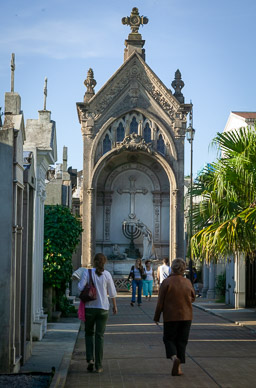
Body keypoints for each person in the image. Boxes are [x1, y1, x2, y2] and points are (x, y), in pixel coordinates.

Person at [154, 258, 195, 376]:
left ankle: (173, 358)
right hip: (186, 316)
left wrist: (157, 317)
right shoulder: (187, 282)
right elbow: (193, 297)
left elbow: (160, 302)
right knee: (182, 341)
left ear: (172, 268)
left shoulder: (166, 282)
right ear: (183, 269)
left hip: (171, 316)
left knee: (169, 339)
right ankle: (179, 368)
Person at [78, 253, 117, 373]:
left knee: (89, 333)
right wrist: (115, 306)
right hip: (103, 309)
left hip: (90, 307)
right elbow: (112, 292)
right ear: (104, 262)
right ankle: (99, 365)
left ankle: (90, 359)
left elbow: (80, 287)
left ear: (94, 261)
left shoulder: (87, 273)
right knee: (99, 336)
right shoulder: (107, 274)